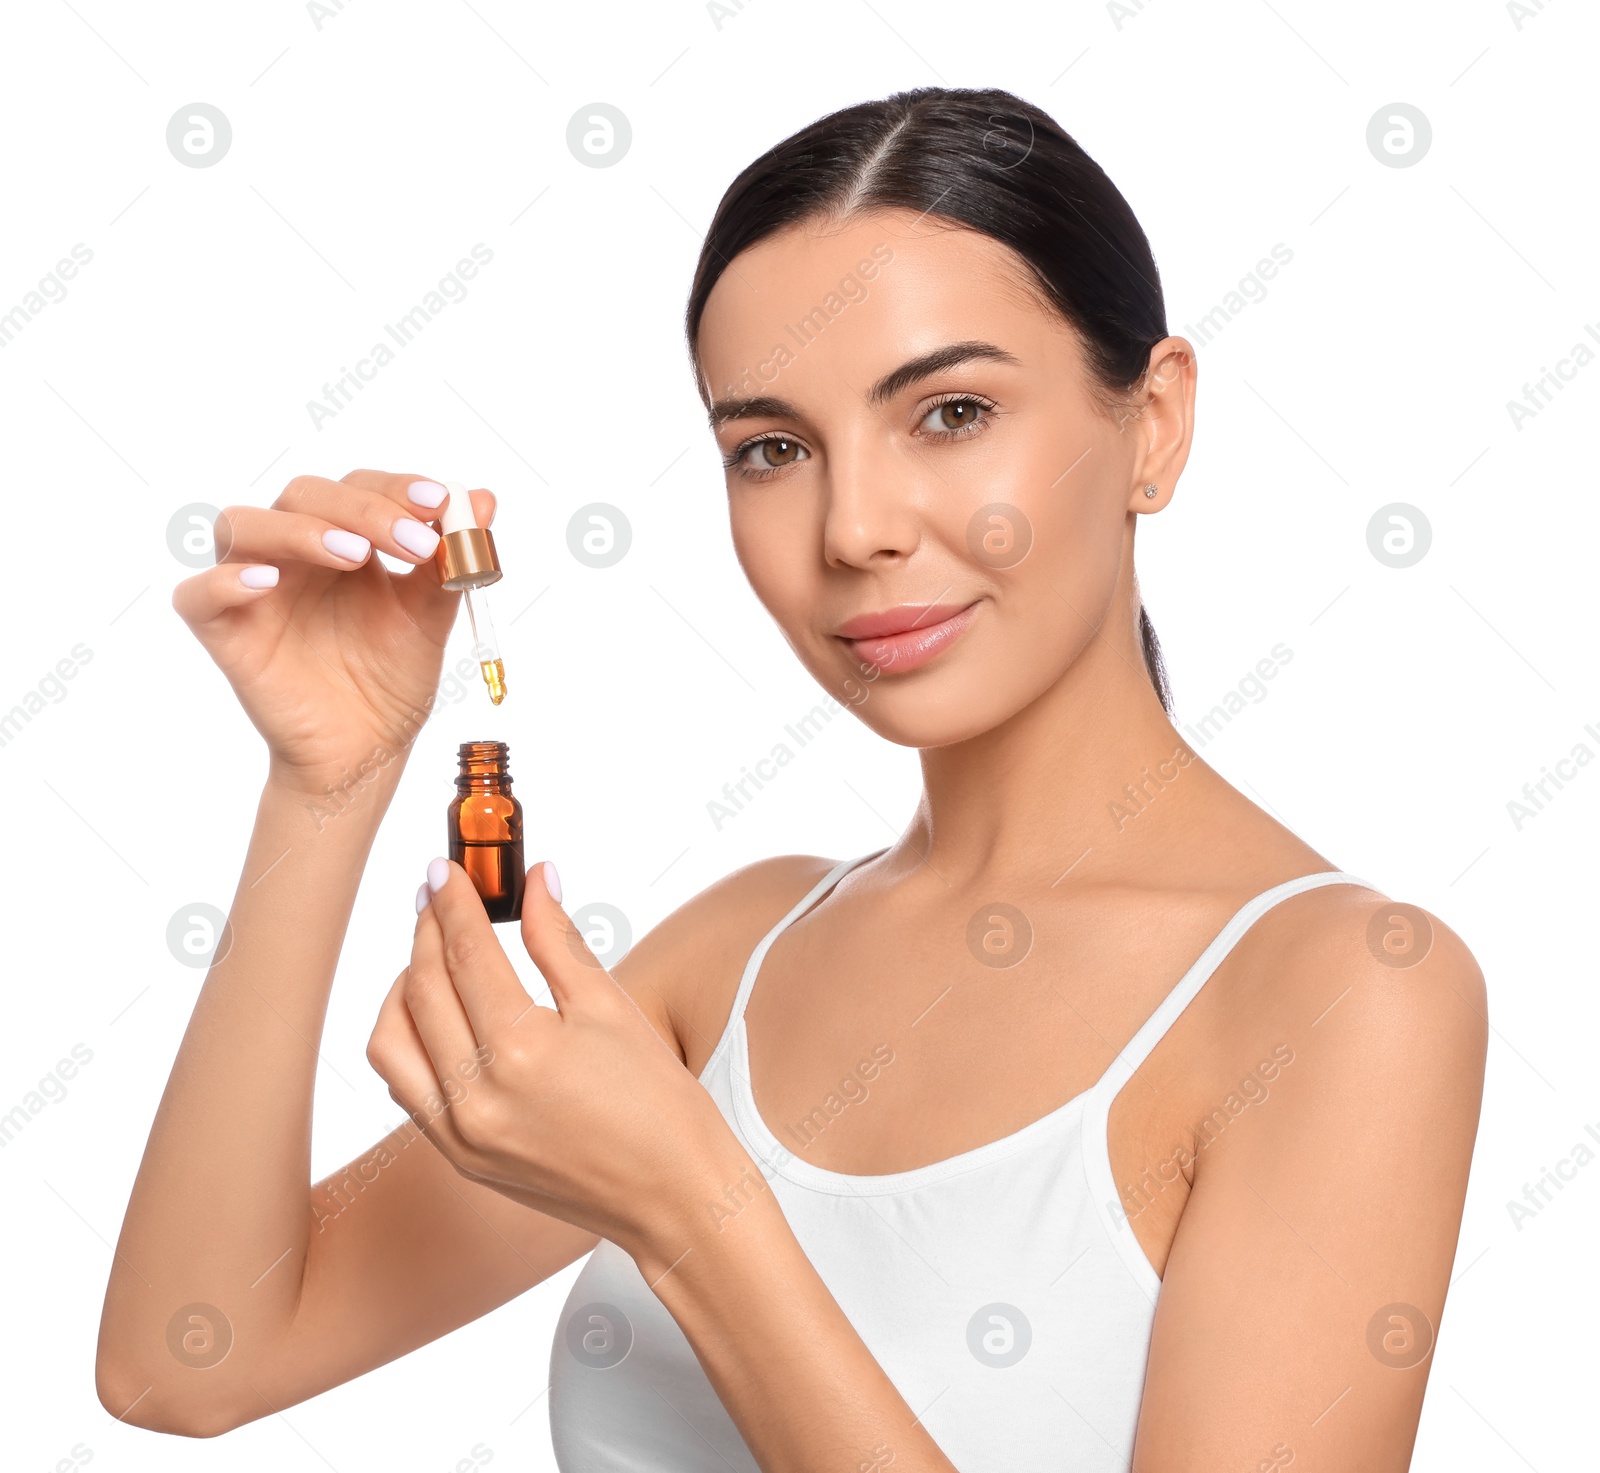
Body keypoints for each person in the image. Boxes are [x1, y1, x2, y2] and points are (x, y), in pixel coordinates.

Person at [97, 86, 1486, 1471]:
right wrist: (326, 782)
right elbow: (187, 1356)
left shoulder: (1347, 992)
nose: (856, 527)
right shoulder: (741, 954)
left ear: (1155, 423)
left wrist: (693, 1209)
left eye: (950, 411)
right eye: (771, 448)